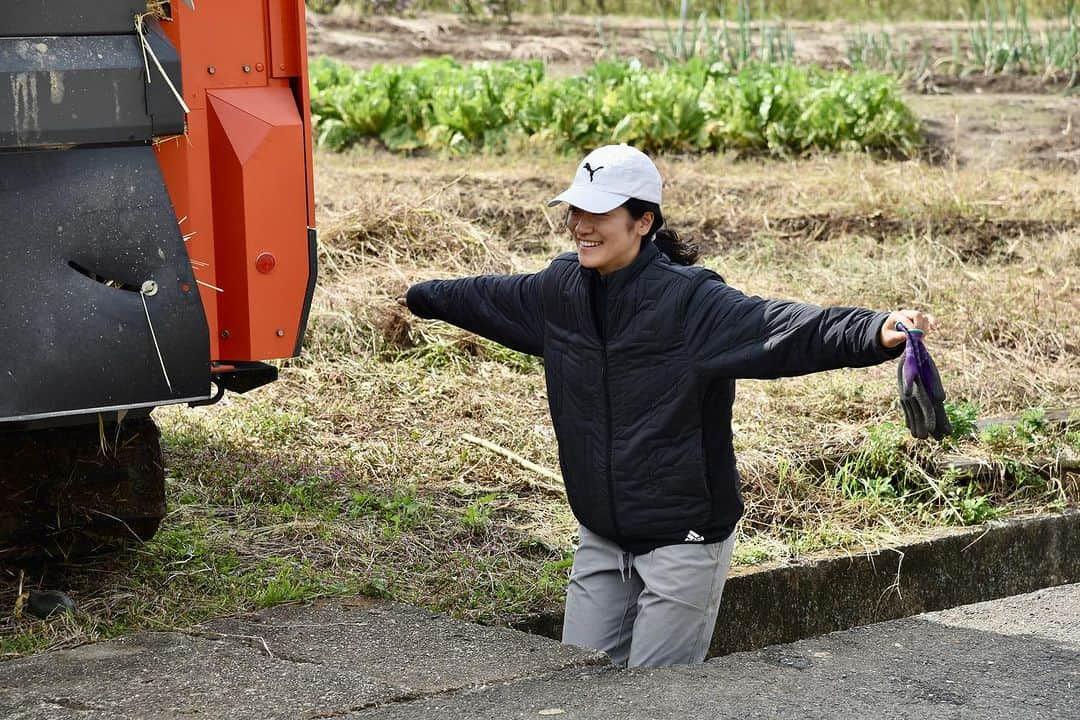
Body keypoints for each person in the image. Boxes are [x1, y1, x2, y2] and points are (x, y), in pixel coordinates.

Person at [399, 144, 934, 668]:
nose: (581, 224)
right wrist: (421, 296)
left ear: (643, 222)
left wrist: (873, 330)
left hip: (684, 542)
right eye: (576, 209)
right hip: (601, 538)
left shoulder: (691, 302)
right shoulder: (559, 290)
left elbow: (784, 328)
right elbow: (486, 297)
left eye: (599, 211)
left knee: (655, 701)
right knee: (574, 686)